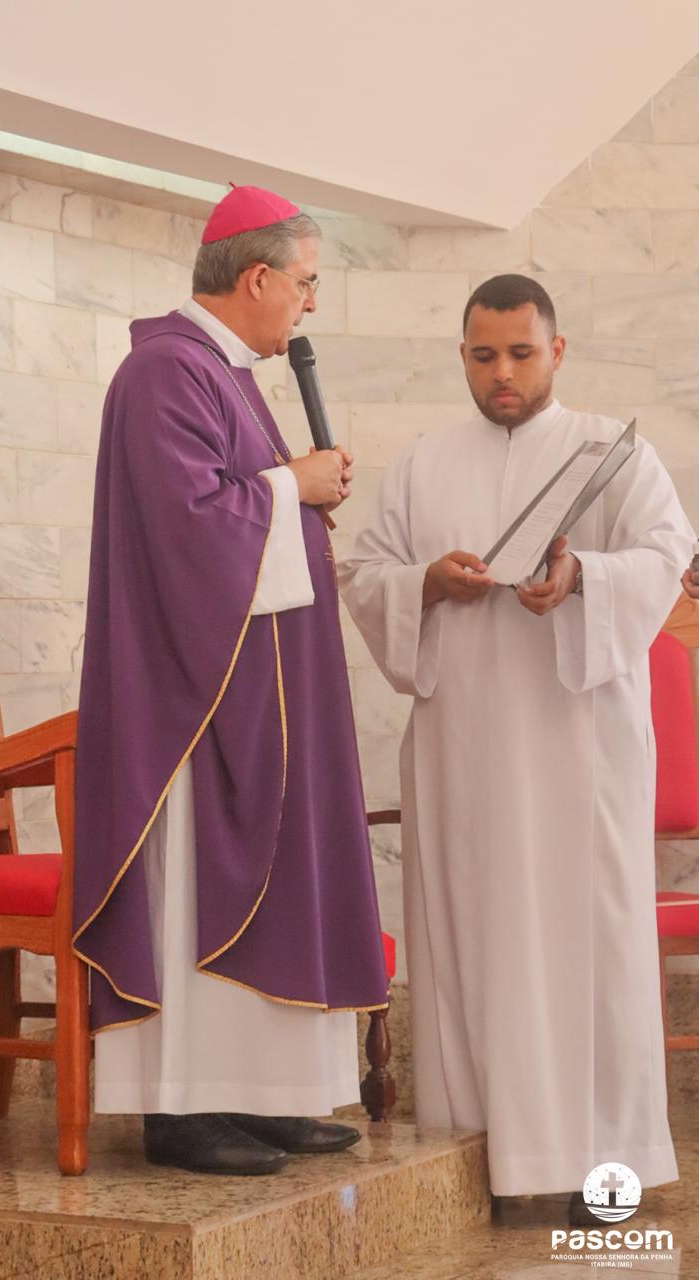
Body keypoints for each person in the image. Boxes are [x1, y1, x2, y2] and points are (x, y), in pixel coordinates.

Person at [338, 274, 694, 1220]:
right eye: (483, 355)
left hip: (579, 749)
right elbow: (363, 572)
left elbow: (666, 557)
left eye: (521, 354)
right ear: (461, 355)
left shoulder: (613, 454)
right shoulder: (423, 463)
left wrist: (581, 577)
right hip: (462, 751)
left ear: (556, 351)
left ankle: (599, 1162)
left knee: (586, 942)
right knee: (474, 935)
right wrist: (426, 581)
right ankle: (478, 1158)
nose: (502, 373)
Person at [73, 185, 389, 1176]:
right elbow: (190, 527)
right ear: (256, 277)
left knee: (274, 880)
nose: (309, 304)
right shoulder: (165, 371)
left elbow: (234, 505)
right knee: (196, 886)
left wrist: (291, 491)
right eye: (305, 283)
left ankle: (264, 1095)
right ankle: (181, 1106)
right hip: (195, 703)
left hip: (256, 690)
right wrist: (293, 485)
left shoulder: (223, 373)